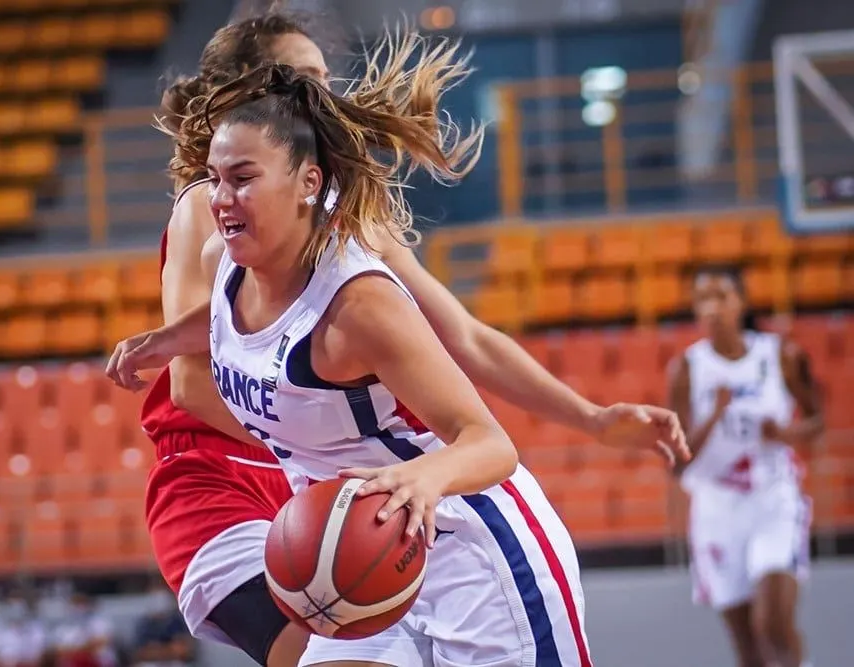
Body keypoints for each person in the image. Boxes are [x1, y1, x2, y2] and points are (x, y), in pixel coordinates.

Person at [127, 11, 688, 667]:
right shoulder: (220, 238)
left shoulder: (356, 276)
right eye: (299, 79)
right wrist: (164, 340)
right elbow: (207, 367)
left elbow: (468, 353)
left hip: (442, 524)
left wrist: (591, 417)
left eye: (321, 79)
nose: (323, 94)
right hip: (319, 512)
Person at [668, 267, 823, 667]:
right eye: (702, 300)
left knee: (772, 622)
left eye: (721, 296)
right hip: (717, 508)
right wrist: (715, 414)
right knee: (748, 649)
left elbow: (817, 420)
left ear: (742, 302)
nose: (712, 308)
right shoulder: (687, 369)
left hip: (772, 497)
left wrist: (787, 434)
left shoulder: (779, 355)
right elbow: (676, 462)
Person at [131, 580, 197, 667]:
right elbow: (140, 653)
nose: (158, 601)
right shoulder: (144, 623)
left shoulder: (177, 620)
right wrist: (169, 649)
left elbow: (184, 650)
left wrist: (157, 649)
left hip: (176, 663)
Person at [0, 587, 48, 667]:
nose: (15, 609)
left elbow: (39, 653)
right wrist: (5, 662)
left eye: (19, 606)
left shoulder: (35, 627)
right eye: (12, 606)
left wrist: (19, 661)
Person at [51, 592, 118, 667]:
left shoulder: (100, 621)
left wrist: (74, 649)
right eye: (75, 603)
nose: (78, 607)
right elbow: (58, 651)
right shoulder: (63, 627)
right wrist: (83, 648)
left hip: (98, 662)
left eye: (81, 602)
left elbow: (102, 642)